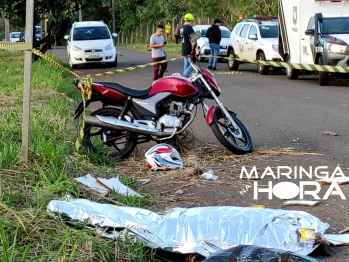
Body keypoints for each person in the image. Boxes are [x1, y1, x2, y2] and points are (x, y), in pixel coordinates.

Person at [181, 13, 196, 77]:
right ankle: (184, 76)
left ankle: (185, 79)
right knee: (193, 65)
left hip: (184, 48)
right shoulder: (189, 27)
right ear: (191, 20)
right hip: (189, 49)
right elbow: (193, 39)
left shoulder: (181, 27)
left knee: (186, 65)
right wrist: (195, 49)